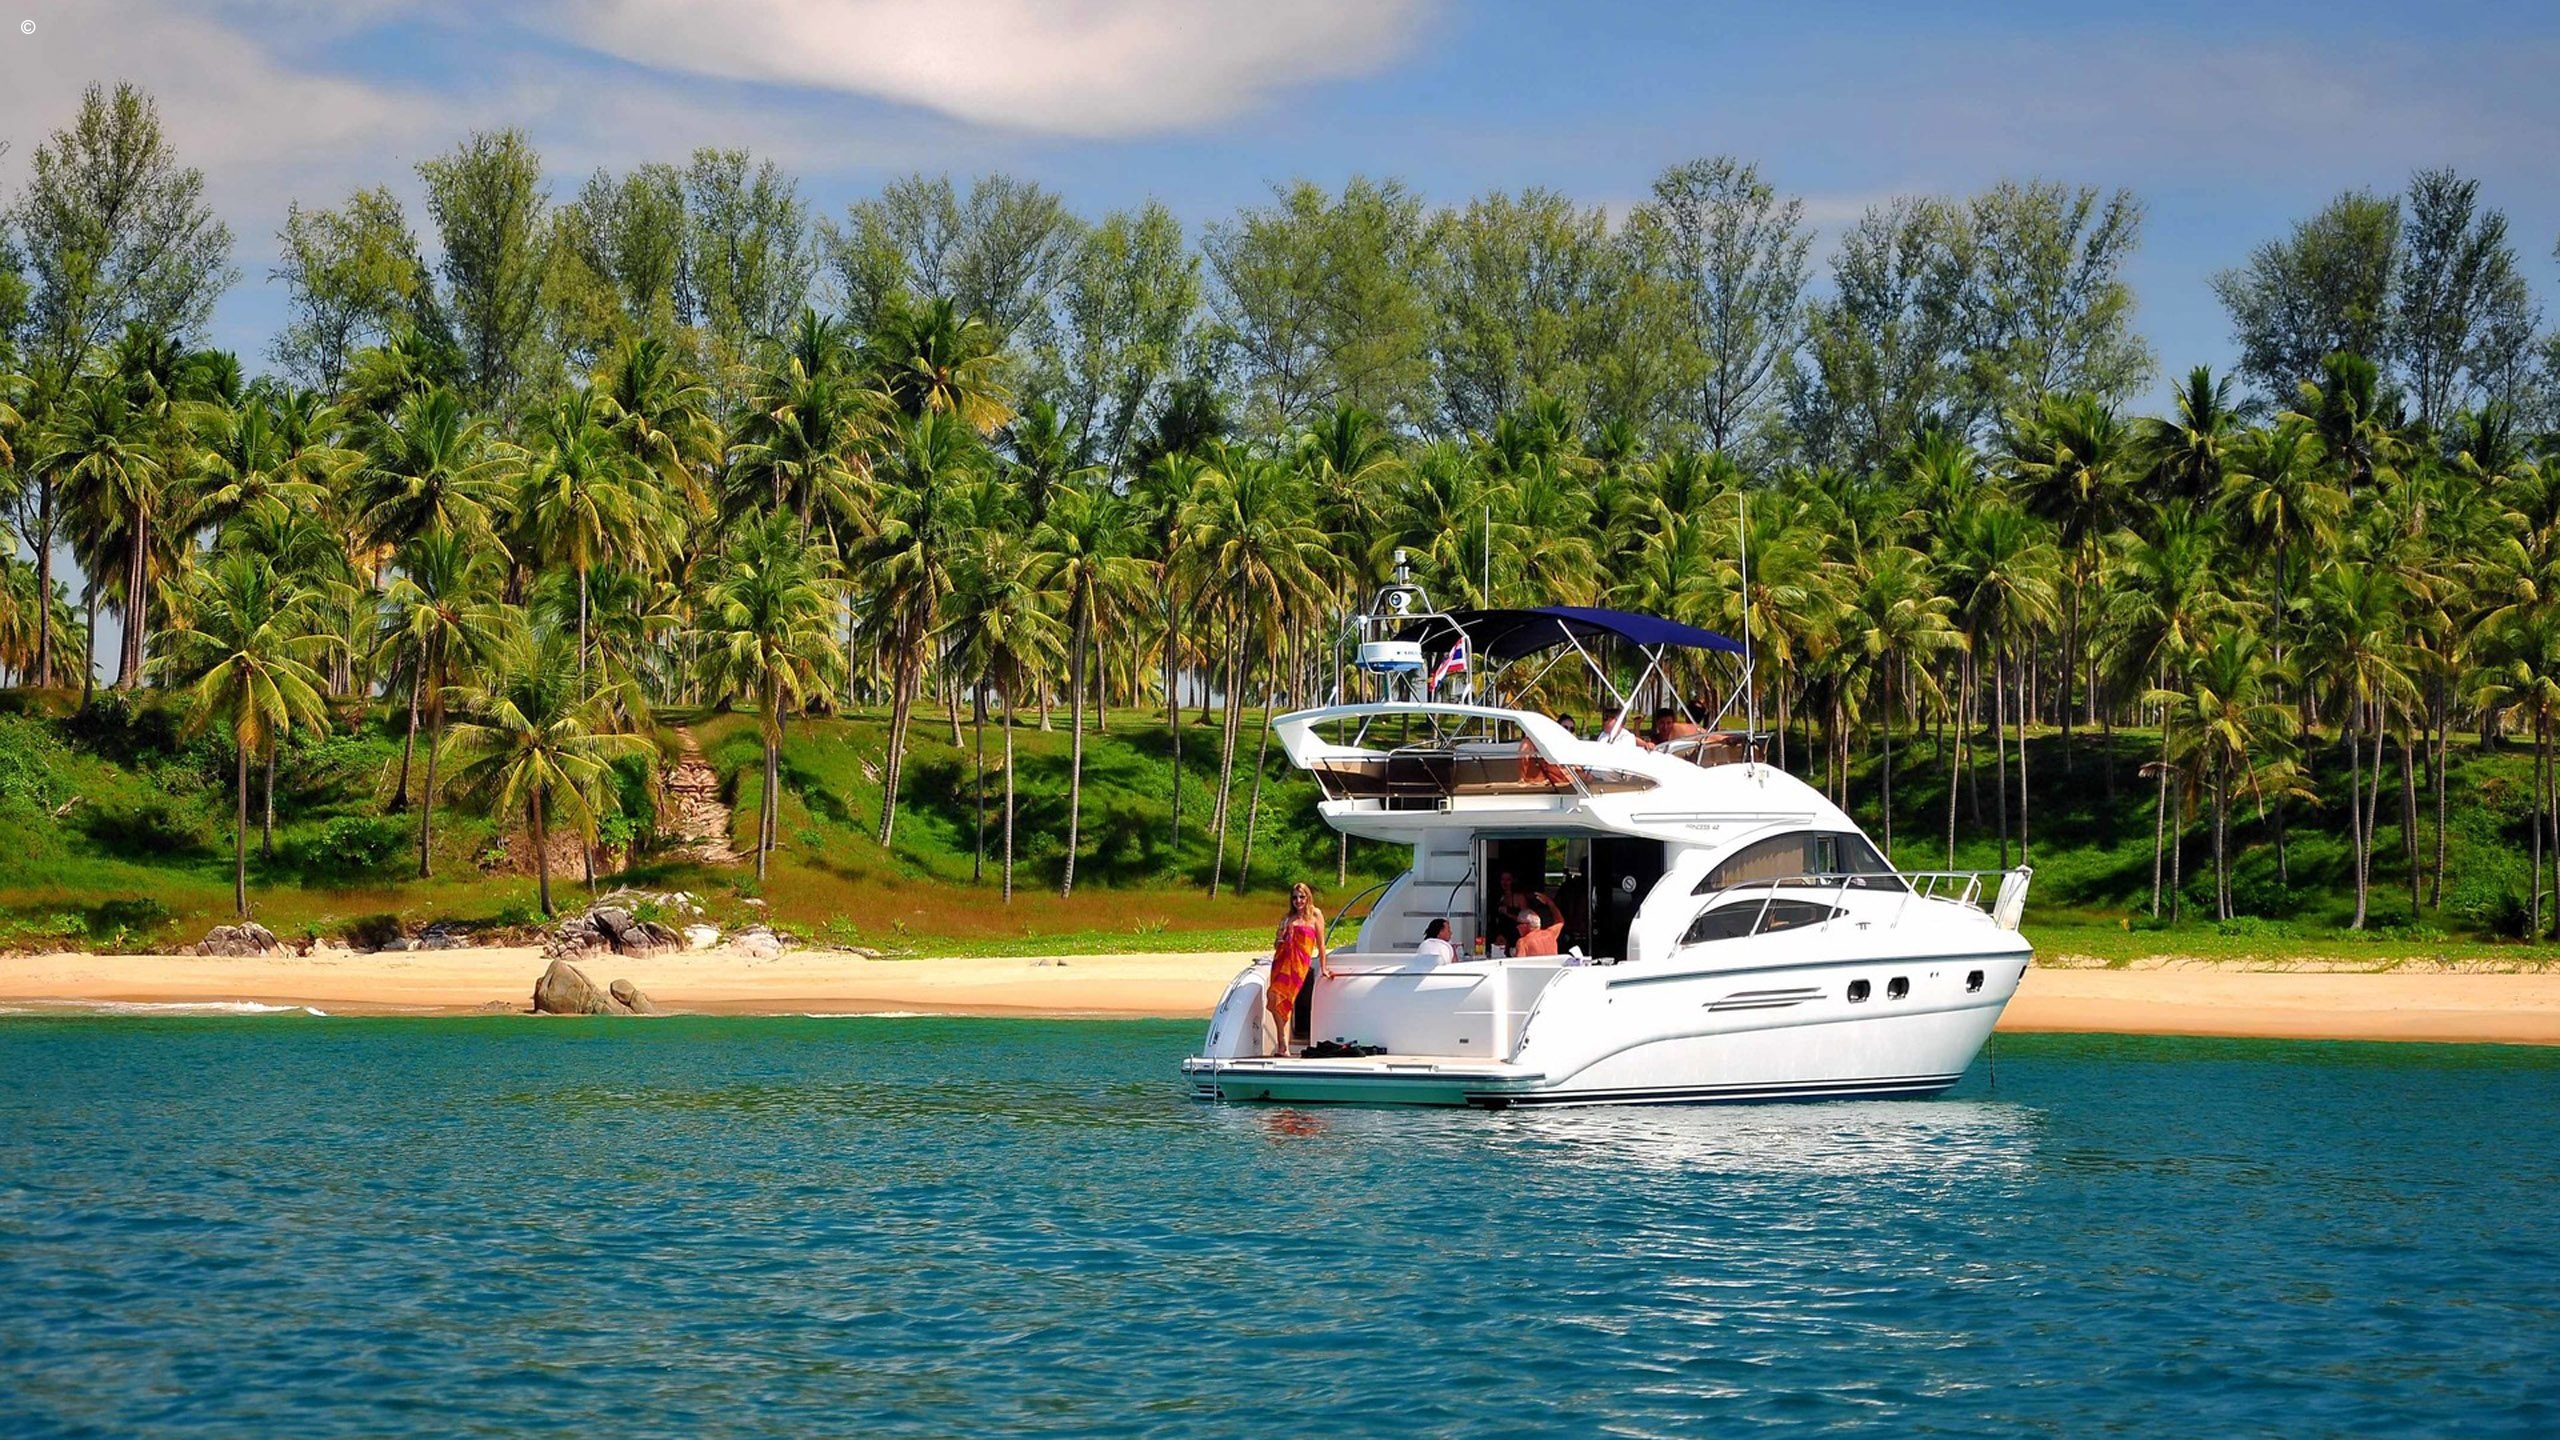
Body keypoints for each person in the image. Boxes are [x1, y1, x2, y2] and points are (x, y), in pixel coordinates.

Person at [1265, 882, 1332, 1056]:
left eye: (1302, 897)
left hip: (1299, 965)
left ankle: (1283, 1045)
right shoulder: (1288, 918)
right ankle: (1283, 1044)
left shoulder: (1315, 915)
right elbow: (1277, 944)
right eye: (1295, 898)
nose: (1298, 901)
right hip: (1281, 962)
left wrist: (1323, 967)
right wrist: (1279, 938)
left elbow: (1321, 944)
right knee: (1274, 997)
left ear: (1308, 897)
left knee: (1286, 999)